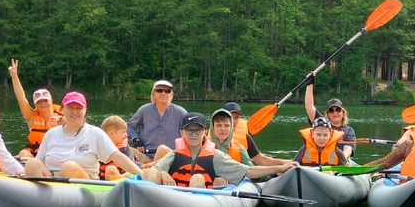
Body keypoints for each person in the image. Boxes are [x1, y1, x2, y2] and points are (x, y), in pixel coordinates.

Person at [142, 113, 299, 188]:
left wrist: (281, 167)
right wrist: (162, 173)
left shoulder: (215, 156)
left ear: (205, 132)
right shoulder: (175, 154)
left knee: (197, 179)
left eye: (198, 131)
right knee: (150, 173)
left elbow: (249, 171)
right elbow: (153, 170)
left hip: (196, 205)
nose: (194, 134)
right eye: (189, 131)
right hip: (170, 199)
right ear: (182, 133)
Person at [25, 91, 143, 180]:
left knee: (69, 167)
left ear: (85, 110)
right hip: (51, 180)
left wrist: (141, 175)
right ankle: (41, 199)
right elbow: (39, 161)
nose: (74, 112)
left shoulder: (95, 133)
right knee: (31, 163)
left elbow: (118, 157)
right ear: (63, 110)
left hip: (84, 184)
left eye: (79, 108)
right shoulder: (51, 134)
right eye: (70, 108)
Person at [8, 59, 63, 160]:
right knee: (23, 154)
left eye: (45, 100)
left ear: (51, 100)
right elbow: (21, 98)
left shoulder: (63, 117)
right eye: (39, 101)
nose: (43, 103)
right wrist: (14, 77)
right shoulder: (32, 117)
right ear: (35, 104)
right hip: (35, 154)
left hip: (55, 153)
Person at [126, 80, 187, 163]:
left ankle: (148, 170)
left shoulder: (180, 112)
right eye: (159, 90)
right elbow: (129, 126)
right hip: (146, 155)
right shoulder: (144, 110)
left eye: (167, 91)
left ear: (171, 95)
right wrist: (136, 139)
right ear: (153, 94)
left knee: (163, 149)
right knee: (127, 149)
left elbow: (189, 132)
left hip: (169, 157)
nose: (163, 93)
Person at [304, 76, 357, 160]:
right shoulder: (320, 123)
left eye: (338, 110)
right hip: (317, 162)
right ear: (328, 114)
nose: (335, 113)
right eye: (332, 111)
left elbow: (348, 149)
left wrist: (341, 160)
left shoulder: (348, 131)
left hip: (338, 162)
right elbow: (309, 106)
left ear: (343, 113)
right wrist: (310, 84)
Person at [225, 102, 293, 166]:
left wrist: (287, 162)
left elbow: (262, 160)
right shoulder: (215, 136)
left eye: (236, 117)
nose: (233, 121)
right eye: (230, 117)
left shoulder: (245, 137)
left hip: (240, 173)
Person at [101, 115, 138, 180]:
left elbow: (132, 171)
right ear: (111, 133)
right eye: (123, 132)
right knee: (109, 169)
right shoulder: (99, 147)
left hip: (120, 180)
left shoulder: (125, 148)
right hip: (100, 181)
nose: (126, 135)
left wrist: (119, 177)